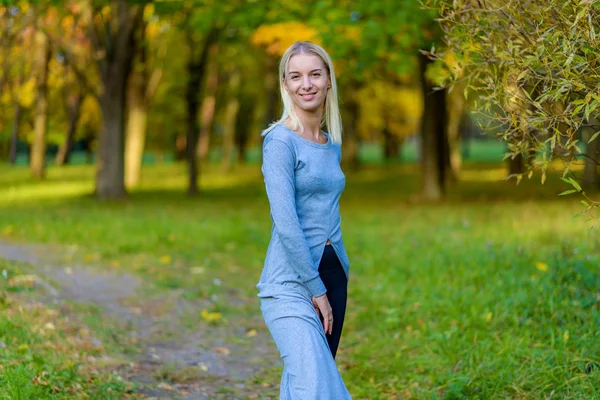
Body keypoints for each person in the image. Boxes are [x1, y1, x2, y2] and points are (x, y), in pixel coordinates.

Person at [257, 41, 352, 399]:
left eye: (315, 74)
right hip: (291, 284)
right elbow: (286, 222)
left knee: (306, 385)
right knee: (314, 385)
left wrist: (331, 282)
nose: (306, 84)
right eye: (295, 76)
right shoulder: (280, 142)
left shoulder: (330, 143)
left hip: (334, 276)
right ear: (285, 85)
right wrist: (316, 290)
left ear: (329, 80)